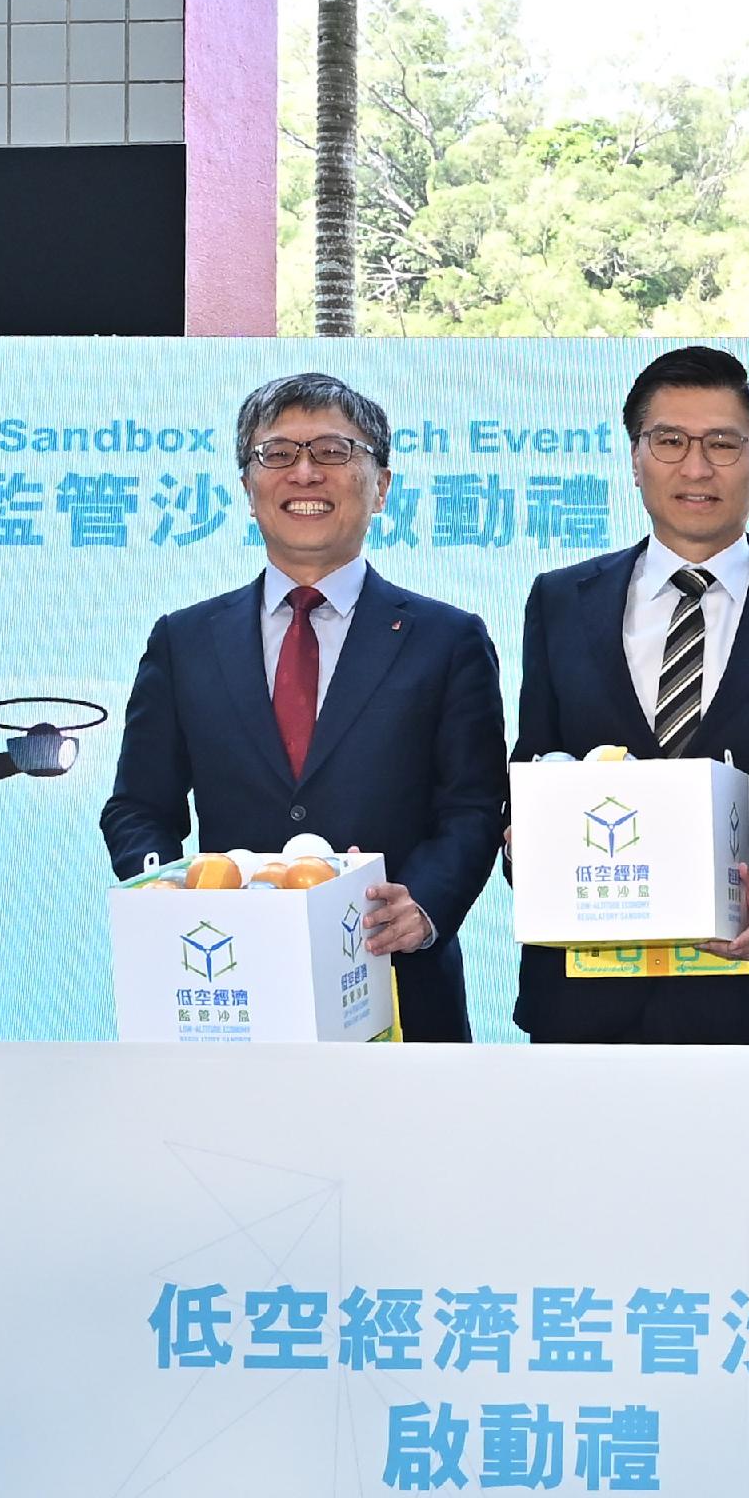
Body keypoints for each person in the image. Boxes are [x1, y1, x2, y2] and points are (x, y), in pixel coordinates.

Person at [101, 373, 506, 1042]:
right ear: (247, 489)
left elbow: (471, 806)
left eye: (335, 452)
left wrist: (426, 907)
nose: (306, 473)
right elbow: (139, 808)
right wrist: (161, 890)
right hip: (224, 989)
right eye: (278, 454)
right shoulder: (185, 640)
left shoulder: (448, 638)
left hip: (397, 985)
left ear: (381, 486)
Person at [509, 346, 749, 1046]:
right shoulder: (559, 602)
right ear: (634, 458)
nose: (696, 467)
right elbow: (536, 763)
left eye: (724, 445)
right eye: (669, 441)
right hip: (583, 1002)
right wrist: (525, 840)